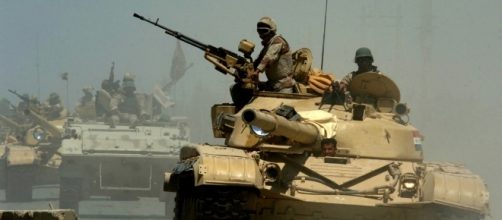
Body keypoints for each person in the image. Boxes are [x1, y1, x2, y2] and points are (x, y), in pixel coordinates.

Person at [252, 16, 295, 92]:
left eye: (264, 31)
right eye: (259, 31)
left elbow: (268, 58)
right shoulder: (267, 46)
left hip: (283, 86)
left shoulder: (278, 42)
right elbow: (258, 61)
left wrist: (257, 71)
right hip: (272, 85)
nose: (262, 35)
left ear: (271, 31)